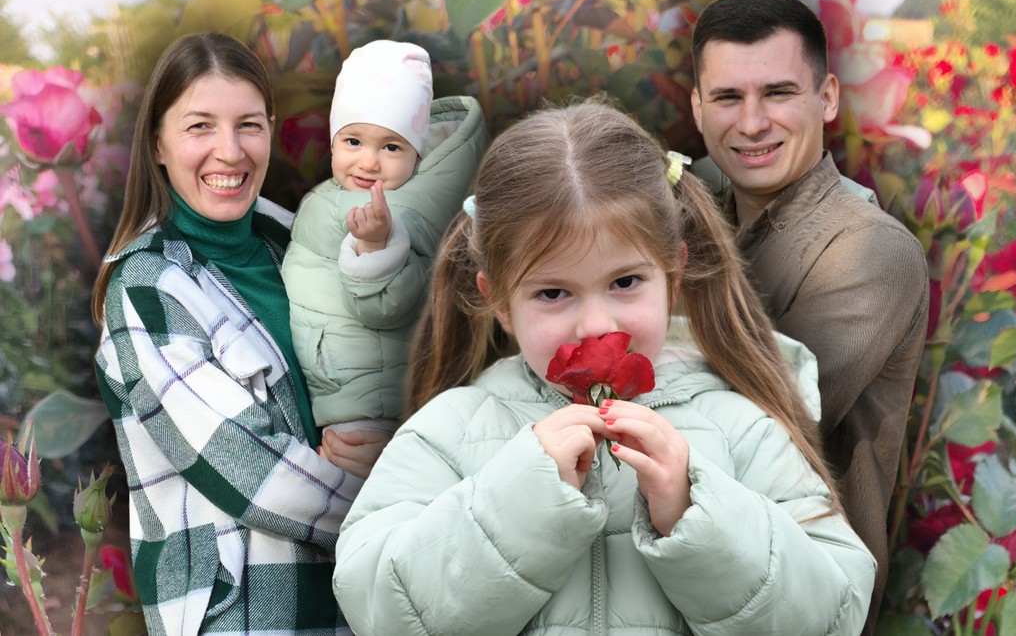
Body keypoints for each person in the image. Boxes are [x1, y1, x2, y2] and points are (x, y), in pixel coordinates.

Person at [332, 98, 876, 635]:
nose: (595, 325)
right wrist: (519, 504)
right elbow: (377, 605)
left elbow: (835, 612)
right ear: (499, 301)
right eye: (553, 292)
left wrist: (697, 512)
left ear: (673, 277)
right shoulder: (450, 431)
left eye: (625, 282)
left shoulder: (743, 429)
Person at [92, 32, 366, 635]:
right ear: (158, 144)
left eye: (248, 125)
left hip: (354, 598)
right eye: (200, 127)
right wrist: (402, 501)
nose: (230, 151)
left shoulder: (302, 248)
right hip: (249, 612)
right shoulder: (148, 290)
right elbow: (251, 471)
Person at [688, 0, 930, 634]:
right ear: (698, 107)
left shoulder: (867, 250)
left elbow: (759, 419)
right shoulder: (691, 213)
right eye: (728, 97)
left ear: (827, 98)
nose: (752, 123)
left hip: (796, 601)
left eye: (778, 93)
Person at [282, 40, 488, 474]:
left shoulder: (396, 213)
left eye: (391, 147)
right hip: (344, 393)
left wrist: (377, 247)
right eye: (353, 140)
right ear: (333, 140)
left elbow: (388, 305)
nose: (369, 162)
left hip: (369, 408)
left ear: (418, 153)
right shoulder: (350, 196)